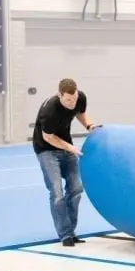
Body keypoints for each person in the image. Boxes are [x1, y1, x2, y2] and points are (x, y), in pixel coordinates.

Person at [32, 78, 100, 246]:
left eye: (74, 99)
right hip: (46, 149)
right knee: (57, 192)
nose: (72, 103)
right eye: (68, 100)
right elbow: (48, 137)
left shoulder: (79, 98)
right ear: (60, 95)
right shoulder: (50, 111)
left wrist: (89, 125)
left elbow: (80, 112)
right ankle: (65, 234)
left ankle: (71, 230)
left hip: (66, 147)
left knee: (76, 188)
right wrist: (70, 148)